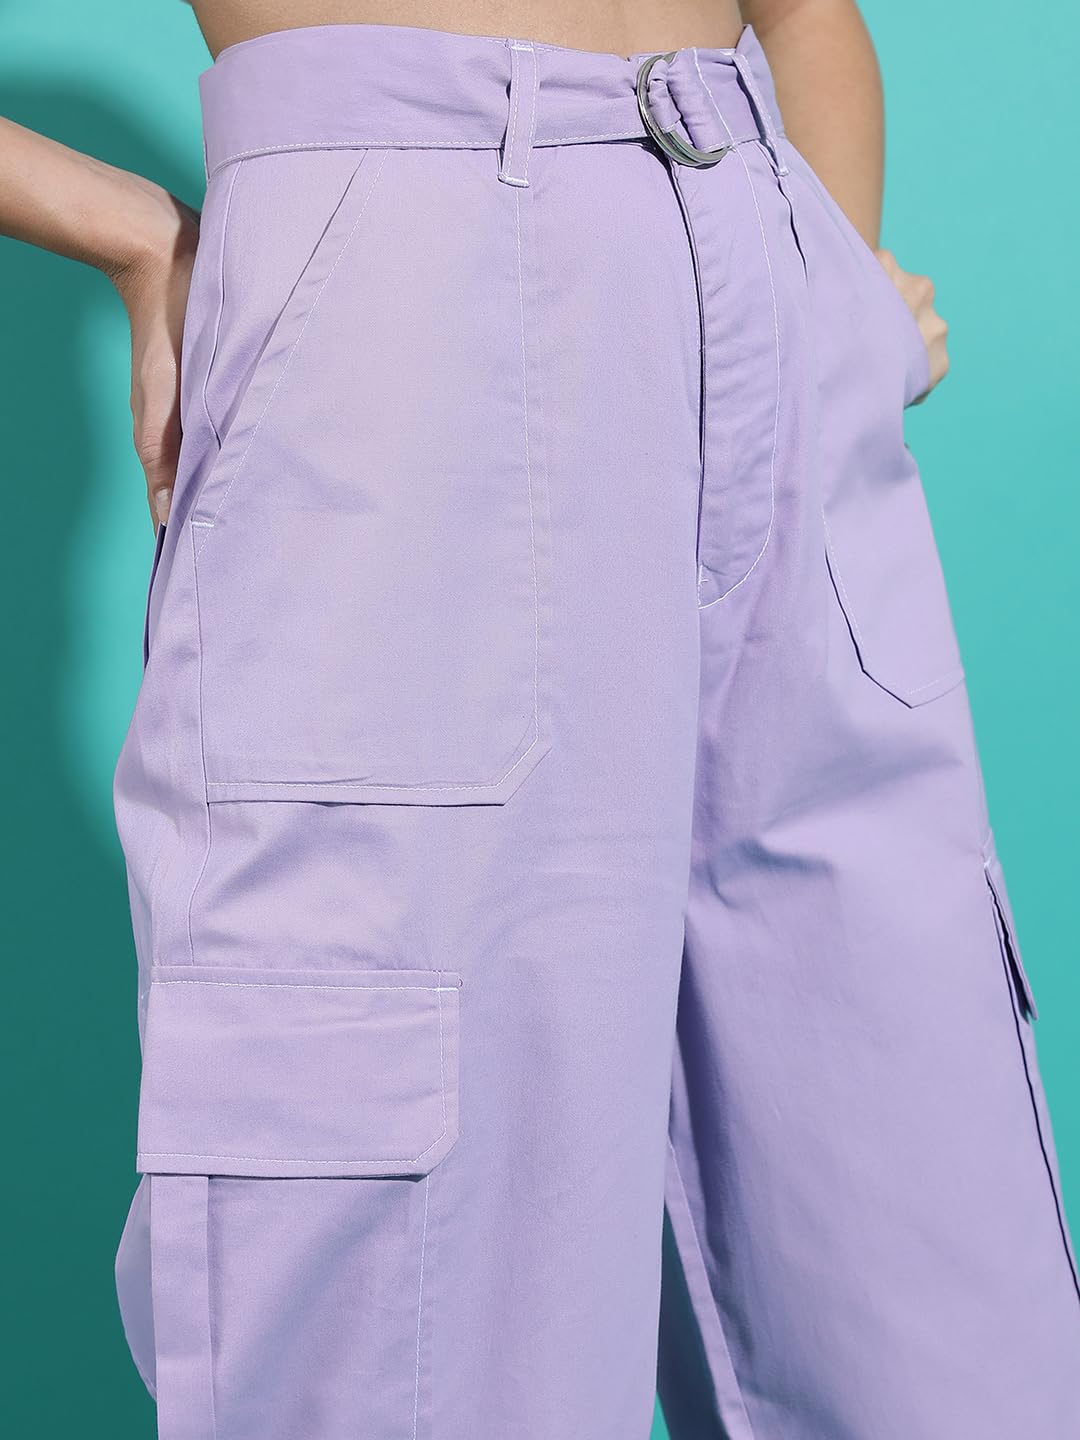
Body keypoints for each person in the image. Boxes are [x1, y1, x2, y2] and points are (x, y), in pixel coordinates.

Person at [3, 3, 1077, 1437]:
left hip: (759, 279)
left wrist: (830, 301)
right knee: (410, 1287)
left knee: (912, 1249)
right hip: (403, 293)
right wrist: (136, 231)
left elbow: (804, 15)